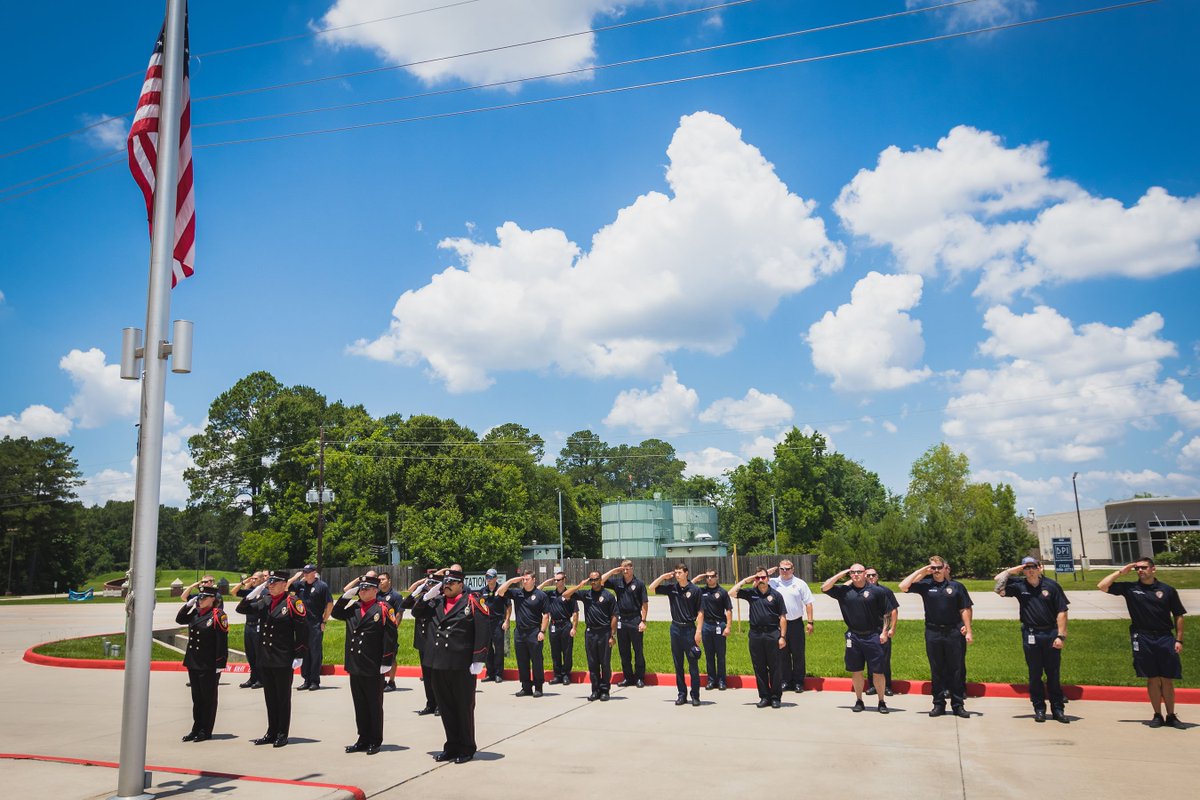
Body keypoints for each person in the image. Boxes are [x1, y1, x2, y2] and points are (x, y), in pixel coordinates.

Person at [408, 568, 491, 764]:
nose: (447, 585)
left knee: (463, 707)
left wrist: (478, 659)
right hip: (438, 663)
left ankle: (467, 747)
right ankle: (452, 746)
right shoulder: (435, 602)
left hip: (461, 664)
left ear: (461, 584)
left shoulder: (472, 601)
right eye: (445, 583)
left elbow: (483, 629)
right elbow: (414, 611)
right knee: (445, 707)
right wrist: (427, 595)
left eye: (452, 582)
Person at [1098, 558, 1187, 728]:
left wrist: (1178, 639)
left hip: (1164, 637)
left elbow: (1178, 615)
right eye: (1137, 568)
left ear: (1153, 569)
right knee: (1152, 678)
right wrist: (1121, 571)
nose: (1140, 570)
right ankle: (1157, 715)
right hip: (1143, 637)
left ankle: (1171, 715)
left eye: (1144, 567)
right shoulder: (1131, 588)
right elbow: (1102, 586)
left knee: (1167, 678)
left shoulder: (1167, 590)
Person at [235, 569, 308, 747]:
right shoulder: (265, 601)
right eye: (270, 582)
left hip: (283, 658)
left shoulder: (292, 602)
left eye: (275, 582)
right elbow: (241, 608)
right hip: (266, 657)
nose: (271, 585)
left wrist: (299, 654)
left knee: (282, 698)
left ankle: (282, 733)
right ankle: (271, 731)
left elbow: (302, 630)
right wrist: (257, 589)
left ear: (284, 584)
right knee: (270, 697)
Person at [994, 556, 1070, 723]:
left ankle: (1058, 710)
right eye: (1026, 568)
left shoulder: (1052, 586)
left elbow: (1062, 611)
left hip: (1050, 634)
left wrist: (1061, 635)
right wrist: (1012, 570)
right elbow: (998, 587)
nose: (1030, 570)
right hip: (1031, 634)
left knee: (1053, 673)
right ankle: (1039, 709)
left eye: (1033, 567)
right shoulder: (1020, 586)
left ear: (1039, 567)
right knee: (1034, 674)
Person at [899, 556, 974, 718]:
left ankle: (958, 704)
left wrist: (968, 630)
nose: (936, 571)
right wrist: (922, 571)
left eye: (939, 567)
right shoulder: (926, 586)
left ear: (945, 568)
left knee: (956, 669)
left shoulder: (957, 587)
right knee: (937, 669)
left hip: (953, 631)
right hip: (933, 632)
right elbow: (903, 586)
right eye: (933, 568)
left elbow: (965, 609)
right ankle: (938, 704)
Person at [331, 574, 398, 755]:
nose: (362, 591)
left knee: (373, 704)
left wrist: (386, 661)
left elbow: (391, 637)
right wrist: (346, 595)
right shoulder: (353, 607)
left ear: (375, 590)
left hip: (373, 664)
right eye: (361, 589)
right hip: (355, 664)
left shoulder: (383, 609)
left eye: (366, 588)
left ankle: (375, 740)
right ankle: (362, 738)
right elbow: (335, 613)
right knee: (359, 704)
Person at [822, 564, 892, 714]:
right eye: (852, 572)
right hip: (853, 636)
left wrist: (885, 632)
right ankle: (859, 700)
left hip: (873, 634)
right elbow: (825, 587)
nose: (855, 575)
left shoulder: (877, 591)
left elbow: (887, 613)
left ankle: (881, 701)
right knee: (856, 670)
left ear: (865, 573)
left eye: (859, 572)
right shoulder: (844, 591)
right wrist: (842, 574)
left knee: (878, 671)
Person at [176, 584, 228, 742]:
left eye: (203, 598)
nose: (200, 600)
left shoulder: (218, 615)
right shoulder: (195, 613)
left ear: (212, 599)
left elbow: (221, 642)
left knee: (208, 699)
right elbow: (179, 619)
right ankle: (196, 728)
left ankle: (206, 730)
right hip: (194, 661)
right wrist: (188, 605)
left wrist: (220, 664)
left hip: (209, 664)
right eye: (199, 597)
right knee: (197, 698)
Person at [730, 568, 787, 708]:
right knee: (759, 667)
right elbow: (731, 593)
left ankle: (775, 697)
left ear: (768, 579)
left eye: (763, 577)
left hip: (772, 634)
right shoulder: (751, 594)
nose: (761, 580)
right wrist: (746, 580)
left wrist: (782, 637)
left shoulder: (776, 595)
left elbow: (783, 617)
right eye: (758, 578)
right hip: (755, 635)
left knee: (775, 667)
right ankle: (764, 697)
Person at [650, 563, 702, 707]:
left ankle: (695, 695)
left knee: (693, 665)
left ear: (686, 573)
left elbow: (701, 612)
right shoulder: (672, 589)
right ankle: (682, 694)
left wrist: (698, 632)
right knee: (678, 664)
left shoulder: (695, 590)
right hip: (675, 629)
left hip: (690, 629)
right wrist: (662, 577)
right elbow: (652, 588)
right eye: (676, 572)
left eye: (680, 572)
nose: (677, 575)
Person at [562, 571, 618, 700]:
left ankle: (605, 691)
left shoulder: (609, 596)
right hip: (590, 633)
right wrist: (579, 586)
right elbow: (565, 595)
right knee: (592, 664)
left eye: (596, 579)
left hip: (604, 632)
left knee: (604, 663)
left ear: (601, 580)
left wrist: (612, 635)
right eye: (591, 580)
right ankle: (595, 690)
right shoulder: (586, 594)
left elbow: (614, 616)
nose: (593, 582)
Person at [498, 570, 549, 696]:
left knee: (537, 661)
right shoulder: (517, 593)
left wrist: (542, 631)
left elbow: (546, 615)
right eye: (523, 579)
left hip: (534, 632)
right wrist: (511, 581)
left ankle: (538, 687)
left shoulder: (541, 595)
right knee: (522, 661)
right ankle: (526, 687)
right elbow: (500, 592)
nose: (524, 581)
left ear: (533, 580)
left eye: (527, 579)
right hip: (520, 633)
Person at [402, 570, 445, 715]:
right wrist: (418, 590)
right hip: (423, 641)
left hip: (435, 642)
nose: (429, 586)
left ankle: (440, 704)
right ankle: (430, 703)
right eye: (428, 583)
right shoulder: (423, 597)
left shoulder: (440, 599)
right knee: (426, 676)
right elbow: (406, 604)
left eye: (433, 584)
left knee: (437, 676)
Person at [767, 560, 814, 693]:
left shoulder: (800, 583)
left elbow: (809, 603)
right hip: (778, 624)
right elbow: (756, 584)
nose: (785, 571)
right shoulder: (773, 582)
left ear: (793, 569)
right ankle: (785, 681)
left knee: (798, 653)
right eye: (782, 569)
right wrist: (766, 573)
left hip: (795, 623)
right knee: (783, 654)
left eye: (787, 569)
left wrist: (810, 622)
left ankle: (799, 682)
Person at [601, 560, 649, 688]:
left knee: (638, 650)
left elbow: (644, 603)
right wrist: (612, 572)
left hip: (635, 619)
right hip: (621, 619)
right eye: (623, 569)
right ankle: (627, 677)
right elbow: (600, 581)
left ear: (632, 568)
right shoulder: (618, 583)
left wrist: (643, 621)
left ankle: (639, 677)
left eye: (627, 568)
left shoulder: (639, 584)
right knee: (624, 651)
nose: (625, 571)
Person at [289, 565, 332, 691]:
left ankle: (314, 681)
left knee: (315, 652)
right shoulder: (300, 586)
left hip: (315, 624)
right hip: (302, 625)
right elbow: (285, 587)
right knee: (304, 652)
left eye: (308, 573)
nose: (305, 575)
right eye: (304, 572)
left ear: (314, 573)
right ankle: (306, 679)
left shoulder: (322, 586)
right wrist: (295, 578)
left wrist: (324, 621)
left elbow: (329, 604)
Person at [863, 568, 898, 697]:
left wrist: (892, 628)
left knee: (883, 659)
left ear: (877, 576)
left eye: (873, 575)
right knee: (869, 659)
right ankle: (872, 686)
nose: (871, 577)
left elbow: (893, 611)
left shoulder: (885, 591)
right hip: (866, 631)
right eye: (868, 575)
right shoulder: (861, 591)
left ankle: (887, 686)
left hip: (881, 629)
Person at [540, 571, 579, 685]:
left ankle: (566, 674)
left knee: (567, 651)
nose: (556, 582)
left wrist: (574, 628)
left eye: (558, 580)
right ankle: (557, 675)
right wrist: (547, 582)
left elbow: (575, 613)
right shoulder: (550, 594)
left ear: (564, 580)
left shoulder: (569, 594)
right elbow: (537, 590)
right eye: (555, 580)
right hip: (553, 625)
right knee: (555, 652)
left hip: (566, 625)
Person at [696, 570, 732, 690]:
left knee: (720, 655)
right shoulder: (702, 591)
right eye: (707, 577)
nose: (710, 579)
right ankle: (711, 680)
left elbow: (728, 610)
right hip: (706, 625)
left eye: (712, 576)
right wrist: (699, 577)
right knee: (709, 655)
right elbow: (689, 585)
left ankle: (722, 681)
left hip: (719, 625)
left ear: (717, 577)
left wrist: (728, 627)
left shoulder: (722, 592)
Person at [231, 570, 265, 689]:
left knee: (258, 654)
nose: (253, 580)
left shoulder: (264, 592)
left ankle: (261, 679)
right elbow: (233, 592)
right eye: (253, 578)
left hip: (258, 625)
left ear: (262, 579)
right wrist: (244, 582)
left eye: (255, 578)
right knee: (250, 653)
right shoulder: (251, 592)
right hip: (248, 625)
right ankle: (253, 677)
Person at [476, 568, 510, 683]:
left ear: (495, 578)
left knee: (499, 649)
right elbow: (480, 605)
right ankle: (490, 673)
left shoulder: (501, 590)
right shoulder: (482, 590)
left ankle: (499, 674)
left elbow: (509, 606)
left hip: (498, 622)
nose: (488, 579)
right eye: (487, 577)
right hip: (486, 623)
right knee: (487, 649)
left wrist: (507, 620)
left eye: (490, 577)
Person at [376, 572, 404, 693]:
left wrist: (393, 629)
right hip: (376, 632)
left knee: (391, 657)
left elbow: (399, 614)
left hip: (389, 633)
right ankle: (381, 681)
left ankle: (391, 682)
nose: (380, 581)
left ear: (389, 581)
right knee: (378, 657)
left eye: (383, 579)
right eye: (379, 580)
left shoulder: (396, 596)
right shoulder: (376, 595)